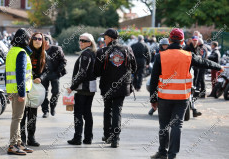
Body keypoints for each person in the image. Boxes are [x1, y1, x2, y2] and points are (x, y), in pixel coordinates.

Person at [150, 28, 224, 159]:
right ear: (182, 40)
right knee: (177, 126)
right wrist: (219, 67)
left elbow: (154, 79)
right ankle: (172, 155)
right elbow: (204, 63)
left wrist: (153, 99)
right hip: (182, 97)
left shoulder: (160, 56)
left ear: (170, 40)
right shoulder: (188, 56)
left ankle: (162, 153)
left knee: (164, 125)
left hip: (164, 97)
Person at [94, 28, 137, 148]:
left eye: (105, 37)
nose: (104, 39)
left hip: (107, 85)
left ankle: (108, 135)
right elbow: (134, 67)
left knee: (108, 109)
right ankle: (115, 139)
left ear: (110, 38)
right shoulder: (127, 49)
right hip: (122, 86)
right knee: (117, 110)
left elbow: (96, 71)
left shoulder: (102, 51)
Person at [5, 28, 33, 155]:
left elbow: (7, 72)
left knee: (17, 117)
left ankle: (19, 143)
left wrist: (9, 91)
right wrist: (21, 93)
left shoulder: (12, 51)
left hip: (13, 89)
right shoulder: (21, 52)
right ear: (25, 39)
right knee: (17, 118)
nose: (30, 40)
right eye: (29, 38)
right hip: (19, 89)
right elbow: (20, 74)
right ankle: (12, 145)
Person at [66, 33, 97, 145]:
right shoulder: (93, 53)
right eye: (80, 40)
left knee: (78, 113)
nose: (81, 42)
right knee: (87, 113)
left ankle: (77, 137)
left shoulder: (86, 54)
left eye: (84, 40)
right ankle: (88, 138)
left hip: (83, 88)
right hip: (91, 88)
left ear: (90, 42)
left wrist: (72, 87)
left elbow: (82, 73)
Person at [20, 32, 47, 147]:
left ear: (42, 41)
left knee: (32, 115)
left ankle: (31, 138)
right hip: (24, 87)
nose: (37, 40)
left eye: (39, 39)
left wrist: (40, 78)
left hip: (35, 89)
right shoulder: (25, 52)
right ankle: (22, 139)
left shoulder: (43, 54)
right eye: (35, 38)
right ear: (31, 40)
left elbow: (47, 71)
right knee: (22, 115)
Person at [41, 34, 67, 118]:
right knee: (43, 93)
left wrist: (58, 71)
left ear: (49, 41)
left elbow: (64, 61)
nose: (45, 44)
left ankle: (53, 106)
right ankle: (45, 111)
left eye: (46, 41)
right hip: (43, 75)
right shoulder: (38, 50)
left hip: (54, 74)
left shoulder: (56, 49)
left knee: (56, 92)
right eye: (43, 42)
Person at [148, 38, 169, 116]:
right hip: (159, 74)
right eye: (163, 45)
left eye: (166, 45)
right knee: (153, 86)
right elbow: (154, 61)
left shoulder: (171, 53)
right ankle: (154, 106)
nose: (165, 46)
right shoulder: (158, 53)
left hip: (168, 76)